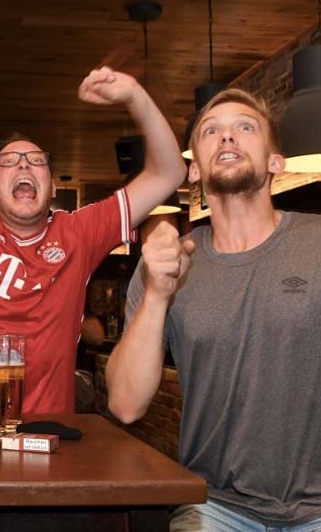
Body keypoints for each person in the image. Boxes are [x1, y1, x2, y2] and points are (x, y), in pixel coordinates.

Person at [0, 0, 186, 415]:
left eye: (36, 161)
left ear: (53, 185)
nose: (24, 167)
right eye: (9, 161)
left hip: (46, 446)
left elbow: (169, 173)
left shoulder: (78, 233)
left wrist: (134, 96)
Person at [107, 89, 321, 530]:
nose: (227, 138)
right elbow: (125, 405)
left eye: (245, 127)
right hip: (214, 506)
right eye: (211, 132)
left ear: (276, 162)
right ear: (194, 169)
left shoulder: (316, 242)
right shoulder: (166, 262)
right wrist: (157, 293)